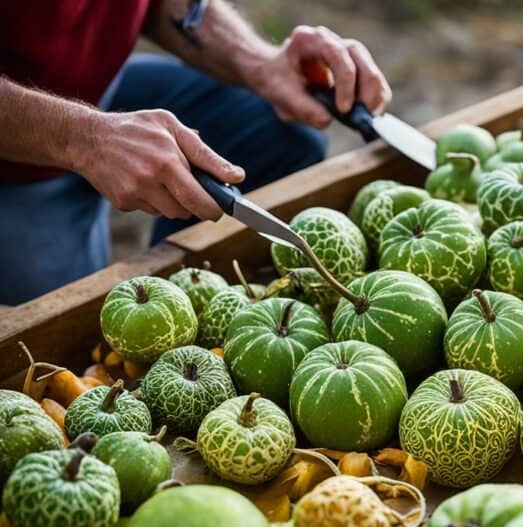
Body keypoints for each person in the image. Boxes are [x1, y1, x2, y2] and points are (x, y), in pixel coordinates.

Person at [0, 1, 391, 305]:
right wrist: (85, 139)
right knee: (61, 336)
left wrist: (260, 63)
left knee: (280, 134)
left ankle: (185, 284)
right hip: (13, 158)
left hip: (96, 88)